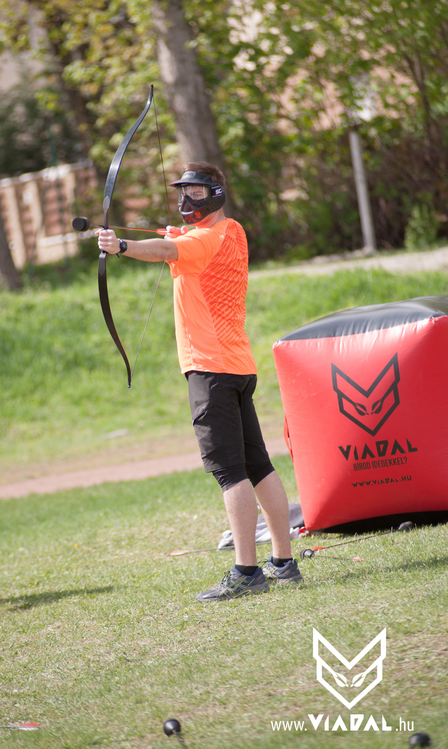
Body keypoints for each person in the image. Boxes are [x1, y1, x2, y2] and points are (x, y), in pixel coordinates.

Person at [97, 162, 302, 601]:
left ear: (215, 194)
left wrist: (121, 246)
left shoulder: (203, 240)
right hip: (237, 366)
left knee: (230, 471)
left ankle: (247, 571)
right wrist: (178, 239)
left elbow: (166, 251)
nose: (185, 200)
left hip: (211, 369)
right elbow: (184, 248)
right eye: (182, 192)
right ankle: (283, 562)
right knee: (257, 465)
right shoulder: (232, 232)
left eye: (195, 192)